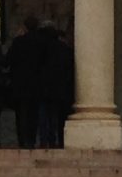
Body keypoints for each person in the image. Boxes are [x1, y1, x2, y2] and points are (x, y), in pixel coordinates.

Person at [6, 14, 44, 148]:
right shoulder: (41, 42)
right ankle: (31, 139)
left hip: (20, 83)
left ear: (25, 27)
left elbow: (8, 60)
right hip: (36, 83)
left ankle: (22, 140)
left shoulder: (18, 42)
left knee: (21, 113)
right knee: (33, 114)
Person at [39, 20, 75, 148]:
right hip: (61, 89)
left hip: (44, 88)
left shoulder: (42, 49)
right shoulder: (66, 50)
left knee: (45, 116)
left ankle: (45, 140)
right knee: (59, 117)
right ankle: (59, 141)